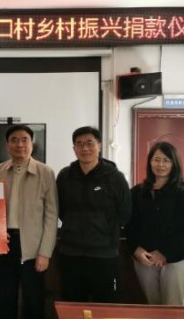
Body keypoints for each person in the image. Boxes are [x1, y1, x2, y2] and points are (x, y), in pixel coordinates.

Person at [0, 124, 58, 319]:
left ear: (32, 143)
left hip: (33, 247)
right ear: (8, 144)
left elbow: (51, 215)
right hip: (4, 244)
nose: (20, 144)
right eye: (15, 140)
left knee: (33, 302)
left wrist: (45, 252)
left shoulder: (45, 172)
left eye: (25, 140)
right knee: (5, 300)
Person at [56, 126, 131, 303]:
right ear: (74, 149)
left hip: (104, 253)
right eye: (79, 144)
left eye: (90, 143)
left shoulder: (115, 177)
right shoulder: (65, 176)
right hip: (71, 251)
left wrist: (104, 228)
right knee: (72, 302)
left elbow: (125, 212)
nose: (85, 148)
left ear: (99, 146)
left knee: (104, 303)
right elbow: (60, 209)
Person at [125, 141, 184, 305]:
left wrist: (164, 253)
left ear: (174, 164)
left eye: (166, 160)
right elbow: (129, 225)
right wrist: (135, 249)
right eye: (156, 159)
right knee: (151, 306)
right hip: (144, 259)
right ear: (150, 162)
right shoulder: (137, 192)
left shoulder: (182, 193)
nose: (160, 165)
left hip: (173, 259)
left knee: (172, 306)